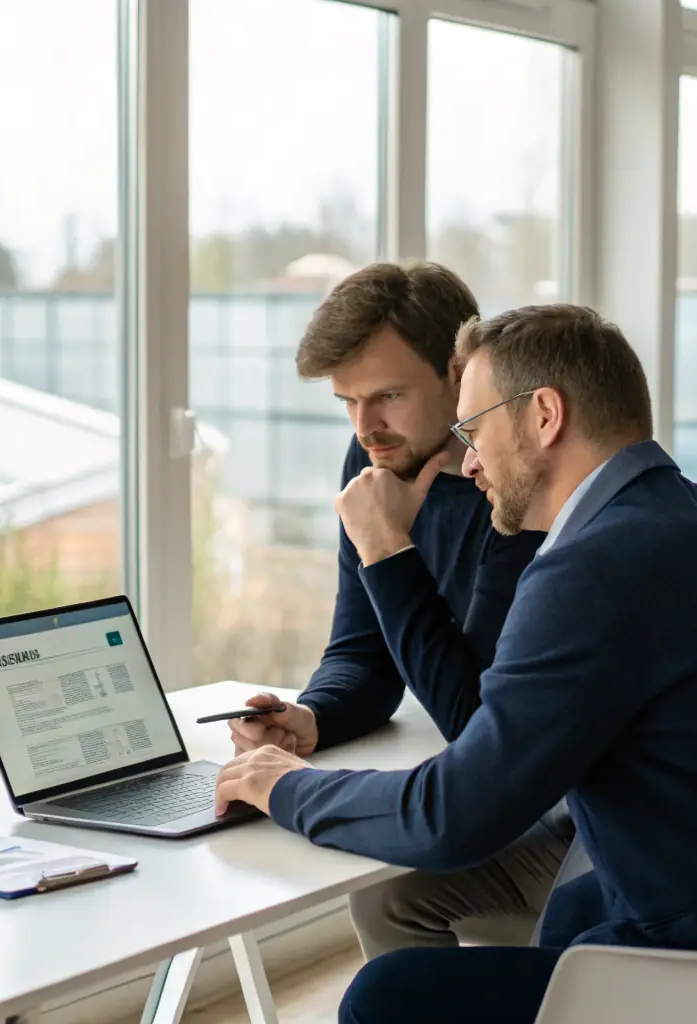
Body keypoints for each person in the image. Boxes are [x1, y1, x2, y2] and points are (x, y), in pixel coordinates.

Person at [213, 303, 697, 1024]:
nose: (469, 461)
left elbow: (455, 815)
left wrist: (285, 787)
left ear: (543, 415)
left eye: (474, 431)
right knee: (571, 905)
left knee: (386, 997)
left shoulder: (591, 567)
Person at [226, 260, 571, 960]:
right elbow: (363, 650)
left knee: (401, 869)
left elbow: (476, 722)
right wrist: (312, 718)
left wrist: (384, 546)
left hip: (572, 809)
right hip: (514, 787)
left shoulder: (518, 479)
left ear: (458, 373)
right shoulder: (376, 458)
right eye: (347, 402)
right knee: (380, 890)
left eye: (386, 395)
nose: (366, 428)